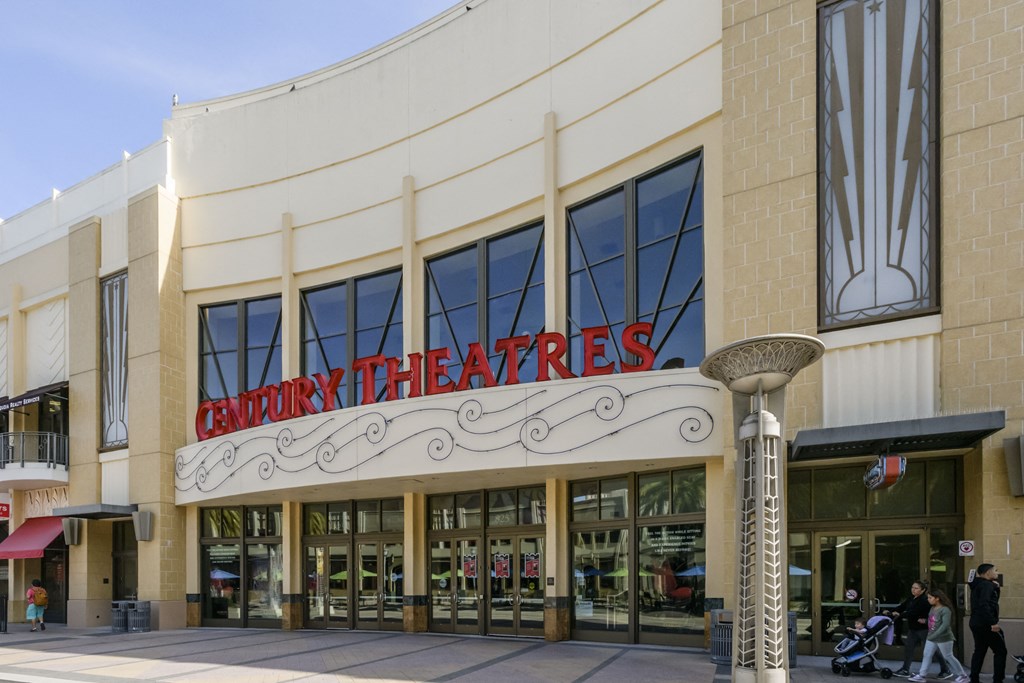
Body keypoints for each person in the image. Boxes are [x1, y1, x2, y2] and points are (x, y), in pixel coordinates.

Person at [890, 580, 951, 678]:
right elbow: (902, 607)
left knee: (933, 650)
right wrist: (891, 611)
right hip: (913, 628)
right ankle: (905, 669)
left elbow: (914, 612)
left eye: (916, 588)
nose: (913, 590)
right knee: (908, 649)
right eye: (912, 587)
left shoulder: (924, 600)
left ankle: (945, 669)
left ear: (922, 590)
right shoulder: (911, 598)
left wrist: (900, 615)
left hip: (924, 629)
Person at [908, 589, 969, 683]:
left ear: (937, 598)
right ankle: (922, 675)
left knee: (948, 656)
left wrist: (934, 635)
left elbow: (945, 625)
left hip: (944, 637)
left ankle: (963, 675)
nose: (928, 599)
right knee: (927, 654)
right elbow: (933, 621)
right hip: (932, 636)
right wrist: (926, 622)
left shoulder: (945, 610)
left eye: (930, 598)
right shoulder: (933, 608)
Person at [969, 563, 1007, 683]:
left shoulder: (978, 584)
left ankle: (974, 679)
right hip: (985, 623)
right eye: (995, 570)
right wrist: (993, 623)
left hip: (975, 622)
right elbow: (985, 604)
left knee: (979, 650)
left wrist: (996, 588)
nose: (997, 573)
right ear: (987, 573)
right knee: (1001, 651)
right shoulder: (986, 585)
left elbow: (991, 601)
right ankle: (998, 679)